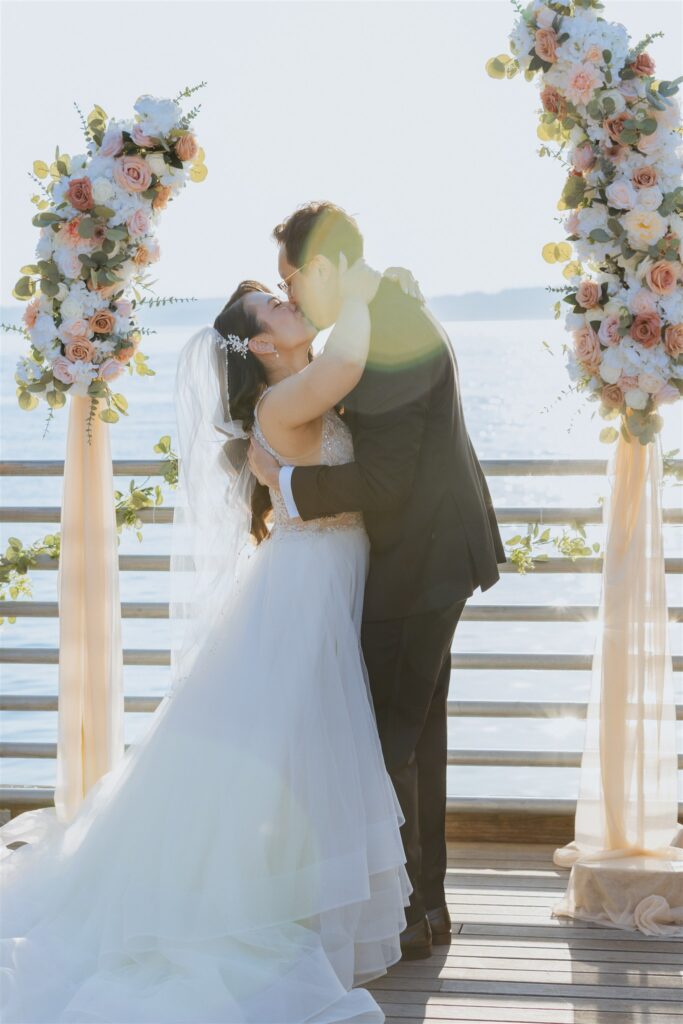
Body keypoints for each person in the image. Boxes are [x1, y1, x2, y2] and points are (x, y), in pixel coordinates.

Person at [0, 259, 421, 1023]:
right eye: (274, 305)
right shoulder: (289, 395)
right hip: (305, 589)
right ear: (261, 348)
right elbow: (352, 358)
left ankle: (286, 894)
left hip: (316, 580)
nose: (290, 303)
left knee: (294, 752)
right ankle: (258, 903)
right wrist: (363, 288)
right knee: (285, 751)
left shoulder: (300, 384)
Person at [249, 202, 506, 961]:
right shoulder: (383, 308)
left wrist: (286, 487)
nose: (292, 296)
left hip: (419, 556)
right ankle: (422, 908)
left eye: (291, 279)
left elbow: (386, 479)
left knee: (388, 736)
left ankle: (405, 918)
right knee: (415, 733)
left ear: (322, 266)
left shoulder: (388, 325)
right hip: (429, 554)